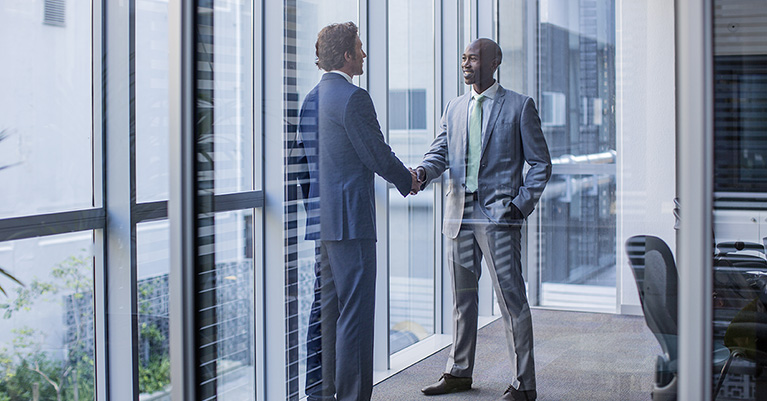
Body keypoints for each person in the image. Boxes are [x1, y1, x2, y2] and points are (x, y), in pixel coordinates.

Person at [413, 38, 551, 401]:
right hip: (458, 214)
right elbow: (439, 151)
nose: (465, 64)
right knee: (463, 300)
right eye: (463, 58)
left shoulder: (520, 107)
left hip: (499, 219)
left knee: (511, 301)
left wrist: (520, 205)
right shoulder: (455, 107)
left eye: (472, 58)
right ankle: (459, 372)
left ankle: (525, 384)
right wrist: (423, 173)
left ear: (494, 62)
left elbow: (540, 164)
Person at [291, 22, 421, 401]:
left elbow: (302, 166)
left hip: (323, 222)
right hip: (352, 223)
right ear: (346, 54)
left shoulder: (311, 99)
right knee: (355, 317)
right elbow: (376, 154)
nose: (364, 54)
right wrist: (408, 180)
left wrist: (317, 208)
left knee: (326, 312)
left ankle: (319, 393)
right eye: (359, 48)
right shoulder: (353, 98)